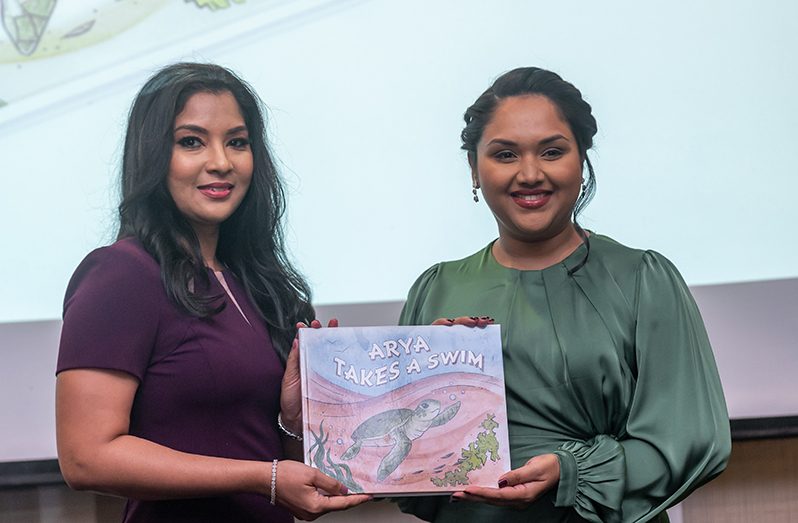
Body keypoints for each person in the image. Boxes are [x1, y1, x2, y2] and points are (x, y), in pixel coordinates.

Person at [396, 67, 731, 522]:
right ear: (474, 169)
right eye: (505, 154)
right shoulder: (436, 290)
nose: (530, 174)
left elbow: (691, 439)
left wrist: (574, 470)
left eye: (552, 151)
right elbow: (404, 471)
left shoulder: (642, 279)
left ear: (581, 160)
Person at [55, 62, 369, 522]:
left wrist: (293, 422)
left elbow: (277, 461)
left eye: (237, 142)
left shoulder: (265, 285)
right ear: (152, 156)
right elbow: (85, 457)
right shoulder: (121, 274)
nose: (221, 161)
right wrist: (264, 478)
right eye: (191, 142)